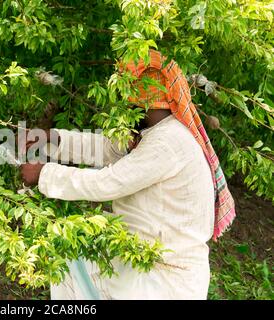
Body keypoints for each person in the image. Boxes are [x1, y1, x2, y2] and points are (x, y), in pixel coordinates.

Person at [19, 50, 236, 300]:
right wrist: (50, 139)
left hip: (164, 279)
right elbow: (105, 147)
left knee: (71, 262)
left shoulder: (168, 142)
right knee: (72, 261)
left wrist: (43, 174)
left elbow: (108, 183)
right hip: (144, 264)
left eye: (127, 100)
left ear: (143, 102)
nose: (122, 107)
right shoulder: (153, 132)